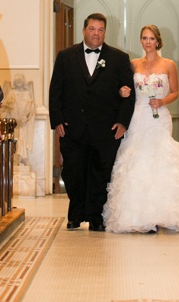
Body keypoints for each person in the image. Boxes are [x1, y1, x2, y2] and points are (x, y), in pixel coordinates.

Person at [103, 25, 179, 233]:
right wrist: (122, 91)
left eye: (151, 38)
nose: (147, 42)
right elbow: (124, 88)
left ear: (158, 41)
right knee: (137, 159)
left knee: (160, 160)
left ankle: (164, 214)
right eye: (144, 38)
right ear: (140, 41)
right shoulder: (133, 64)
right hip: (138, 116)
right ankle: (137, 214)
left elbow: (176, 92)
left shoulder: (168, 64)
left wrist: (162, 101)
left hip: (159, 118)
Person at [48, 13, 133, 232]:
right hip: (71, 127)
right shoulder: (65, 56)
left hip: (106, 129)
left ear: (105, 32)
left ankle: (96, 217)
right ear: (84, 30)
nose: (96, 33)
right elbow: (55, 90)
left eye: (101, 30)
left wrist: (122, 123)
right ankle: (75, 215)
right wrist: (57, 120)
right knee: (73, 172)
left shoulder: (119, 58)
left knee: (101, 173)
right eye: (92, 29)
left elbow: (128, 93)